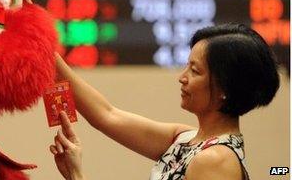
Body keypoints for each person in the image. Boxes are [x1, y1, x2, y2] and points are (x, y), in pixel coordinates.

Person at [49, 23, 281, 180]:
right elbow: (106, 115)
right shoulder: (186, 139)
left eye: (195, 70)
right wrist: (43, 47)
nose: (182, 78)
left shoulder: (215, 160)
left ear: (224, 89)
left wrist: (77, 175)